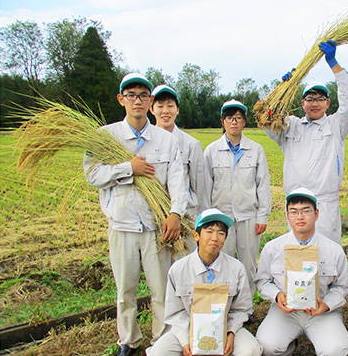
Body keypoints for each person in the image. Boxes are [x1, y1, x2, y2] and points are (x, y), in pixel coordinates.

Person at [83, 73, 187, 356]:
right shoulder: (105, 137)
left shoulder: (165, 140)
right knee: (125, 290)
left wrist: (176, 213)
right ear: (121, 100)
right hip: (122, 225)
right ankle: (128, 340)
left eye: (143, 95)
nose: (137, 100)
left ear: (150, 101)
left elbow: (178, 180)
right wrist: (128, 168)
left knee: (161, 289)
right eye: (131, 95)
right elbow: (93, 175)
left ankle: (162, 340)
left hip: (157, 227)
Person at [263, 40, 348, 244]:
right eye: (310, 98)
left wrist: (334, 63)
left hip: (324, 204)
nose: (314, 103)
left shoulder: (336, 125)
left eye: (320, 98)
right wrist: (284, 88)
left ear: (328, 103)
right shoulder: (290, 125)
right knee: (296, 255)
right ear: (302, 103)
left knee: (326, 257)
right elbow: (265, 118)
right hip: (296, 204)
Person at [146, 208, 262, 356]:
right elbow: (175, 312)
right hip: (188, 328)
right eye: (209, 231)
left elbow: (242, 309)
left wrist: (231, 332)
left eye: (221, 233)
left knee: (250, 350)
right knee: (159, 352)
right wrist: (186, 341)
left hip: (225, 326)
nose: (215, 238)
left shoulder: (236, 268)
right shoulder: (178, 269)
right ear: (196, 235)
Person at [255, 187, 348, 356]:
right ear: (287, 215)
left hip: (321, 313)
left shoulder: (333, 250)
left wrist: (326, 304)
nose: (300, 217)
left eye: (306, 211)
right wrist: (278, 296)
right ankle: (288, 344)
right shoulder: (273, 249)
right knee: (266, 345)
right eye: (294, 212)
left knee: (335, 349)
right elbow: (263, 281)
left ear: (317, 214)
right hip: (286, 313)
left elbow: (342, 287)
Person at [204, 99, 271, 294]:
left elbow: (263, 184)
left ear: (244, 122)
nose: (234, 122)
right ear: (223, 121)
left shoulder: (255, 150)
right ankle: (224, 303)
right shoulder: (211, 151)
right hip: (220, 218)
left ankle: (246, 306)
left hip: (248, 217)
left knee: (248, 264)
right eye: (230, 118)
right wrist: (208, 218)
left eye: (239, 118)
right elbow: (206, 187)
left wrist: (262, 216)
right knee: (221, 262)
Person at [150, 84, 210, 254]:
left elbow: (201, 187)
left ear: (177, 109)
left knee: (185, 268)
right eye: (160, 106)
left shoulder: (191, 144)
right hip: (156, 217)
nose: (165, 111)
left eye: (170, 105)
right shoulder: (145, 144)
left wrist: (203, 221)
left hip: (186, 218)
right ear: (151, 109)